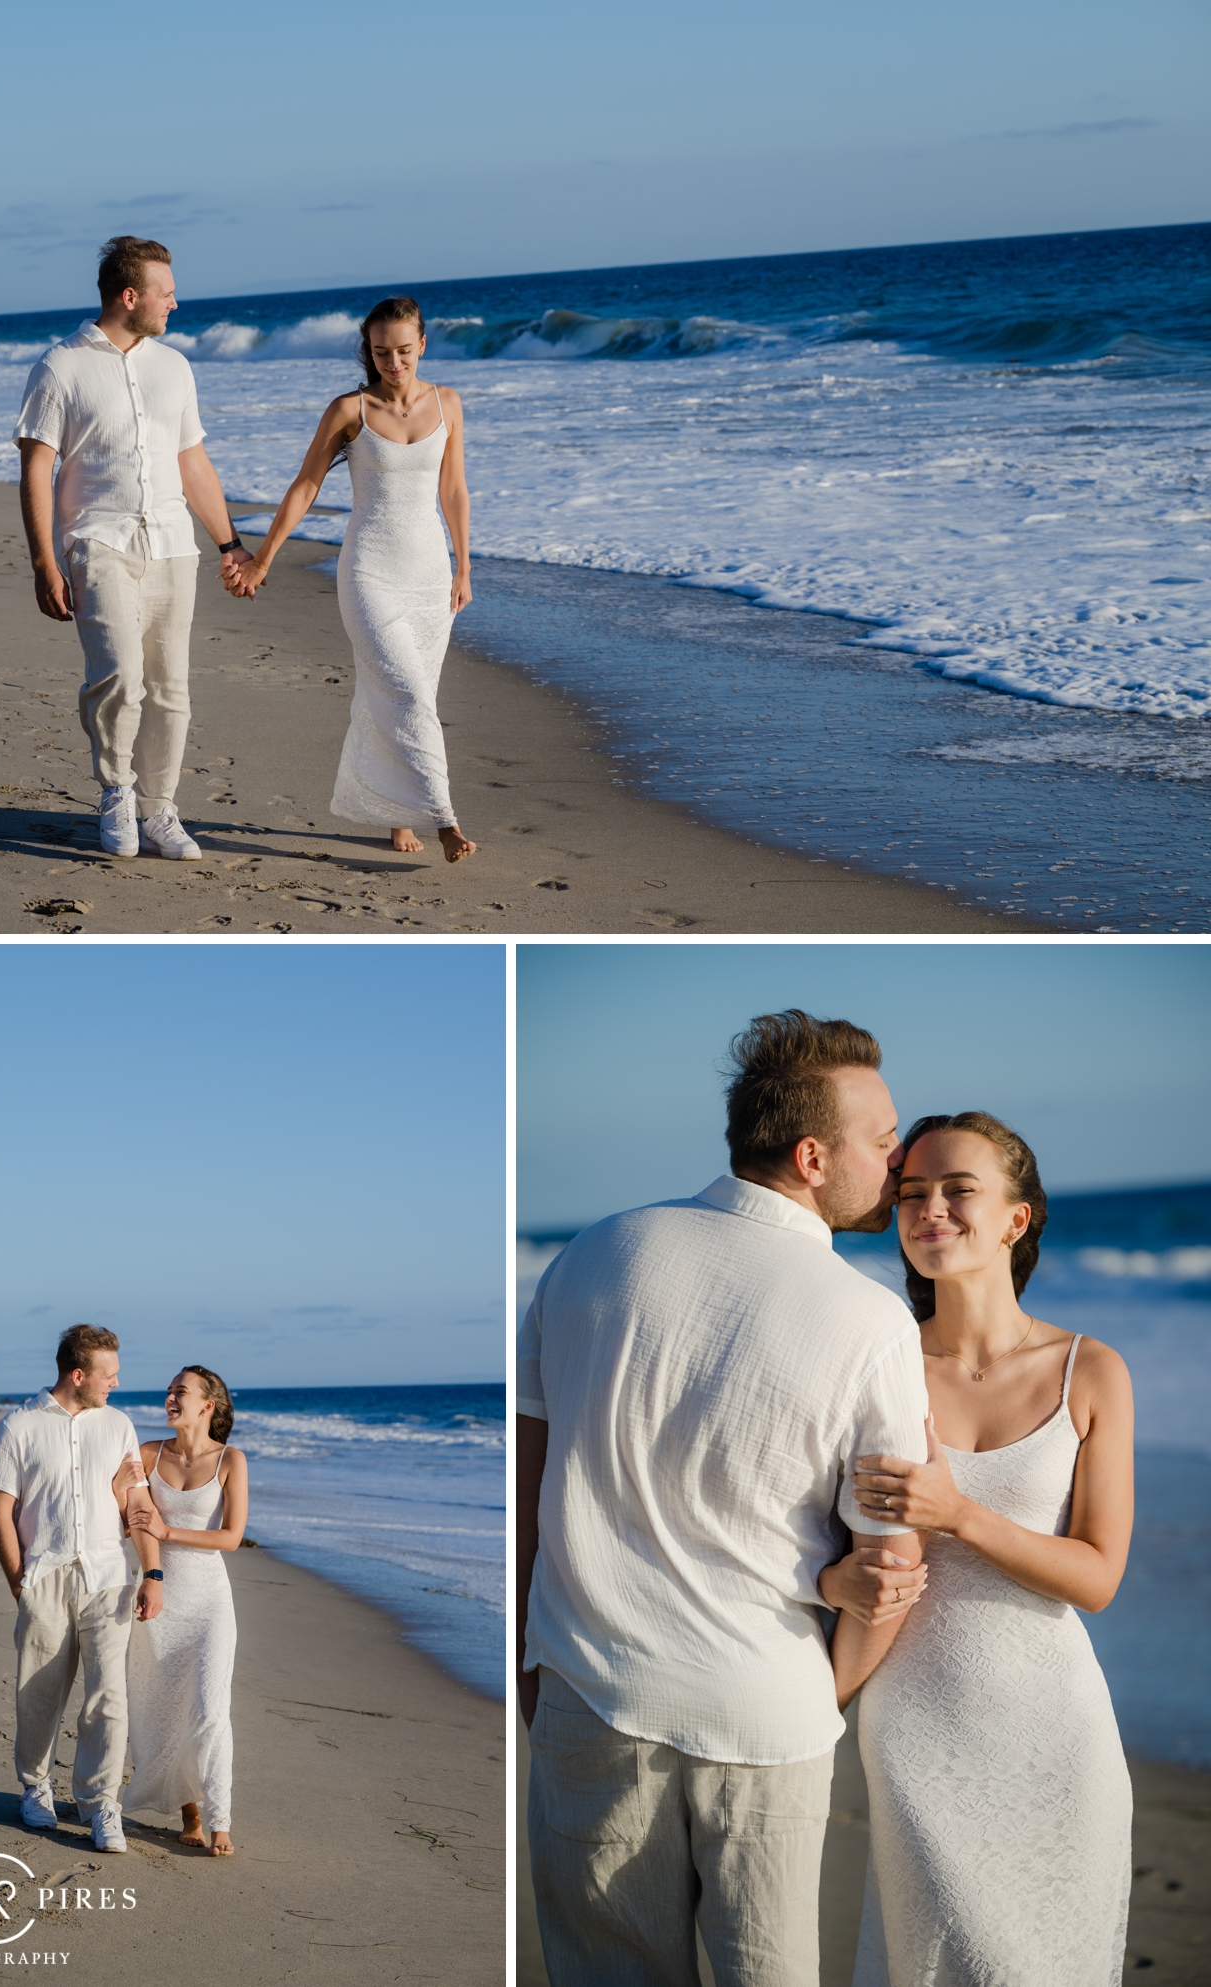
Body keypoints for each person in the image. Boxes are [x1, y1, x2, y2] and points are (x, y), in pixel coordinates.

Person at [517, 1010, 931, 1987]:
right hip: (763, 1706)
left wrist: (534, 1667)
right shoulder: (870, 1318)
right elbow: (889, 1562)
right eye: (880, 1139)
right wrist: (807, 1698)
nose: (897, 1155)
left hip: (587, 1687)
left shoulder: (587, 1254)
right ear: (809, 1156)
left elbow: (529, 1482)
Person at [832, 1113, 1134, 1987]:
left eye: (958, 1190)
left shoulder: (1091, 1370)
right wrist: (829, 1576)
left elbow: (1098, 1576)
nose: (930, 1210)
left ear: (1016, 1218)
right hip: (915, 1730)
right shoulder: (878, 1369)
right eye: (912, 1194)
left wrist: (960, 1515)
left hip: (1057, 1733)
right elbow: (818, 1549)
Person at [14, 236, 253, 860]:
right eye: (165, 291)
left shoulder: (174, 366)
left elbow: (192, 460)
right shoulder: (60, 367)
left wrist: (228, 541)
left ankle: (160, 809)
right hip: (99, 541)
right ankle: (117, 792)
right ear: (130, 296)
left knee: (171, 686)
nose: (174, 302)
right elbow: (37, 469)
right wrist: (44, 561)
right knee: (120, 674)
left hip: (173, 543)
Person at [225, 297, 476, 863]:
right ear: (369, 350)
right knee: (406, 692)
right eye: (382, 352)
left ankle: (394, 811)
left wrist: (463, 566)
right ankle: (444, 821)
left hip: (430, 573)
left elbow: (453, 491)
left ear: (423, 345)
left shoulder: (450, 404)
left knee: (400, 694)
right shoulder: (350, 410)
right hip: (368, 572)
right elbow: (306, 485)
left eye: (404, 352)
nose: (394, 363)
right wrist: (263, 558)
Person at [0, 1324, 160, 1854]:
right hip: (45, 1576)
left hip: (108, 1576)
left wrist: (151, 1573)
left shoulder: (119, 1425)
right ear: (78, 1375)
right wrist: (20, 1582)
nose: (117, 1383)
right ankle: (35, 1786)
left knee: (109, 1696)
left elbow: (136, 1505)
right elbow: (0, 1511)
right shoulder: (19, 1426)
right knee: (38, 1693)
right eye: (110, 1375)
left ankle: (100, 1802)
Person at [113, 1366, 248, 1856]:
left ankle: (220, 1819)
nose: (171, 1397)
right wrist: (121, 1497)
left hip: (210, 1601)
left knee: (212, 1709)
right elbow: (127, 1514)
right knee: (162, 1711)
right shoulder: (148, 1455)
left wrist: (169, 1532)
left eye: (181, 1391)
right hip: (158, 1599)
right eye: (170, 1390)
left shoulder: (231, 1460)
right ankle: (189, 1813)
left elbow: (231, 1537)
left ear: (207, 1405)